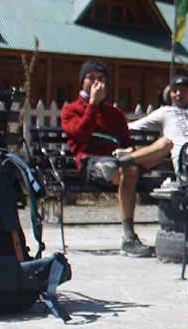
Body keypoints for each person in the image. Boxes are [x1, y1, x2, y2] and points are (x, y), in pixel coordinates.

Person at [59, 60, 168, 257]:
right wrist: (92, 105)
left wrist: (127, 153)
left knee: (165, 144)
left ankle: (127, 163)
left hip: (122, 162)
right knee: (127, 169)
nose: (96, 82)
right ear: (82, 81)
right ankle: (129, 237)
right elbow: (80, 135)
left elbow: (127, 142)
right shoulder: (71, 110)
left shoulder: (115, 114)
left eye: (100, 78)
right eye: (90, 78)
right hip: (92, 163)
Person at [129, 74, 188, 181]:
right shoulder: (165, 112)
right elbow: (135, 126)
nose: (178, 94)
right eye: (174, 91)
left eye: (183, 90)